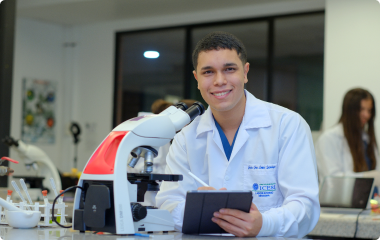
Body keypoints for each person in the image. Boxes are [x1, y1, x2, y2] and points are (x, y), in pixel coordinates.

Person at [156, 32, 320, 238]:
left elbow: (305, 206)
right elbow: (168, 204)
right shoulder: (185, 139)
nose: (219, 80)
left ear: (245, 72)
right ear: (197, 78)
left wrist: (265, 224)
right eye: (208, 72)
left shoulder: (287, 125)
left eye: (229, 69)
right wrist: (196, 209)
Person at [316, 88, 380, 190]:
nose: (367, 115)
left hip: (370, 203)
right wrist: (366, 177)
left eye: (369, 110)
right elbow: (331, 180)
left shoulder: (366, 139)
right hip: (340, 204)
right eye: (362, 109)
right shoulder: (329, 139)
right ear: (349, 110)